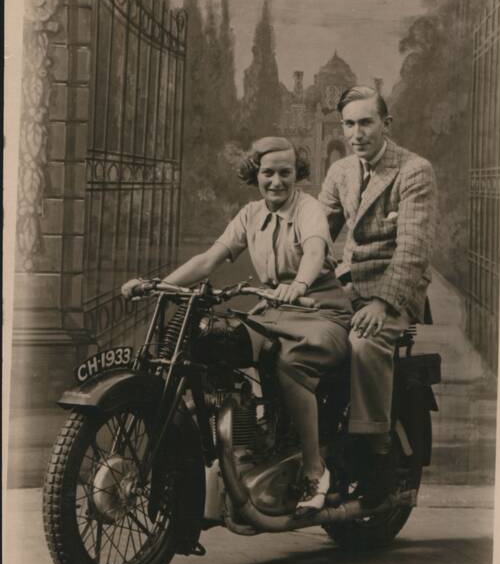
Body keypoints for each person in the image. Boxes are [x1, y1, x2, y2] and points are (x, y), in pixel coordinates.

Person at [122, 136, 351, 515]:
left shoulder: (308, 209)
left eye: (285, 173)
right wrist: (159, 284)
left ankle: (314, 470)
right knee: (212, 345)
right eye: (268, 173)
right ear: (255, 174)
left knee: (290, 364)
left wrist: (299, 285)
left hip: (319, 309)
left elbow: (313, 251)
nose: (276, 181)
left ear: (298, 176)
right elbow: (209, 259)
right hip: (272, 311)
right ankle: (245, 444)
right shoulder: (251, 215)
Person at [318, 85, 437, 509]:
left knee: (363, 344)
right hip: (347, 288)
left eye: (365, 122)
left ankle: (375, 457)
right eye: (348, 124)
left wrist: (383, 303)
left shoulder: (413, 170)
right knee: (290, 335)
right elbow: (317, 237)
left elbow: (413, 251)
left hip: (393, 292)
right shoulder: (340, 173)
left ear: (386, 124)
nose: (356, 133)